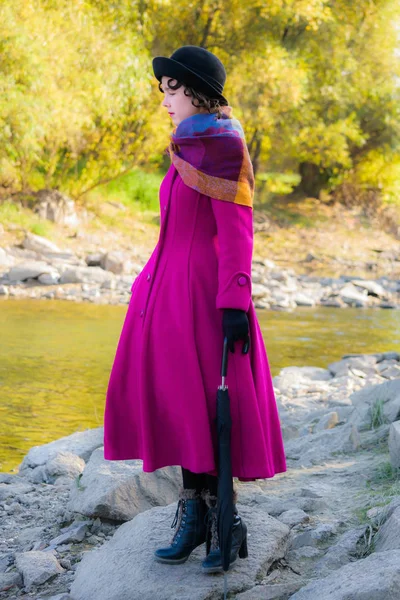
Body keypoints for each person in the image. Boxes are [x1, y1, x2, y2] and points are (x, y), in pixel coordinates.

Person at [103, 45, 287, 574]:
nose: (165, 98)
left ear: (197, 93)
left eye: (173, 89)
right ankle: (194, 516)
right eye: (163, 90)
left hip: (207, 299)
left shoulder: (223, 146)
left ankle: (222, 522)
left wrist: (235, 299)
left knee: (210, 406)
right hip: (165, 297)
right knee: (181, 404)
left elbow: (237, 232)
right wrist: (147, 285)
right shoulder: (187, 142)